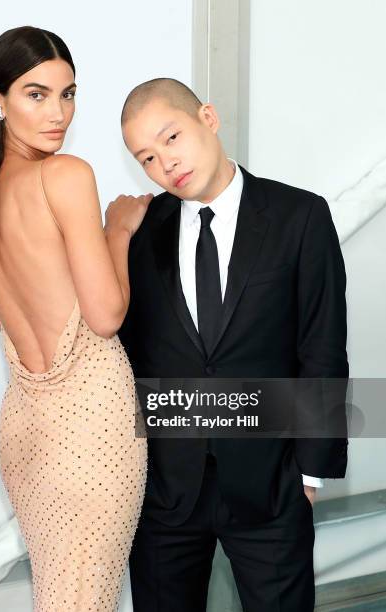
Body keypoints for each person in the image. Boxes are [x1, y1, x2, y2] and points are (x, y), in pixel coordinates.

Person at [116, 78, 349, 612]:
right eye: (146, 158)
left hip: (272, 485)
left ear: (209, 118)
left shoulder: (300, 216)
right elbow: (127, 356)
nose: (164, 164)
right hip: (166, 495)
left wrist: (308, 476)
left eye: (171, 138)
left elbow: (322, 349)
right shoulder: (140, 232)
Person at [0, 26, 150, 611]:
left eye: (68, 93)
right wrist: (119, 230)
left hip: (25, 432)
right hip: (91, 429)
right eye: (36, 94)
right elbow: (105, 315)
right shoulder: (65, 175)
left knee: (61, 598)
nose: (58, 112)